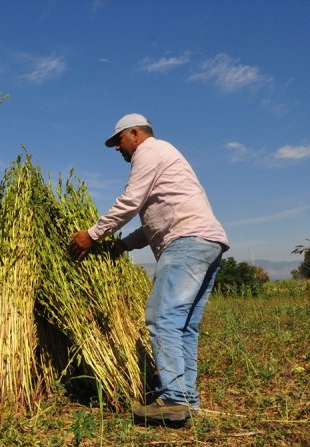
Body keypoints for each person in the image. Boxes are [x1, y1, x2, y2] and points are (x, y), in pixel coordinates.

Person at [69, 113, 228, 424]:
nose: (118, 148)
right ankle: (186, 399)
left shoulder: (148, 151)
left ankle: (174, 399)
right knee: (184, 326)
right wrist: (122, 246)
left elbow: (130, 201)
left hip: (186, 242)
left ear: (135, 134)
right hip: (207, 242)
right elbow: (152, 224)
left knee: (162, 317)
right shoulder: (165, 156)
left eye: (119, 141)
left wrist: (93, 234)